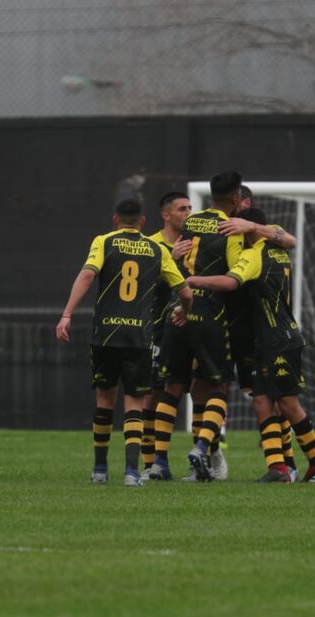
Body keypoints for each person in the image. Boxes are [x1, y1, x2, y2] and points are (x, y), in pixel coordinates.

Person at [186, 207, 315, 483]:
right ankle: (278, 468)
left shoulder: (254, 255)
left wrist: (192, 280)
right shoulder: (278, 247)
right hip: (268, 338)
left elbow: (230, 282)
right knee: (262, 401)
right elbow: (288, 238)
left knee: (288, 403)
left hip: (278, 339)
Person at [57, 198, 192, 486]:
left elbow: (88, 274)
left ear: (115, 220)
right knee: (135, 403)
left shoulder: (104, 241)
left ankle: (100, 470)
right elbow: (185, 291)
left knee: (105, 399)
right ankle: (131, 472)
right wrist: (185, 310)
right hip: (139, 336)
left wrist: (67, 314)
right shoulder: (156, 249)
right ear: (143, 222)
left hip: (105, 334)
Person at [145, 171, 245, 482]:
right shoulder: (229, 229)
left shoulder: (189, 223)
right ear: (236, 200)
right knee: (217, 387)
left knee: (172, 388)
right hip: (208, 314)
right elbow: (233, 278)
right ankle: (201, 448)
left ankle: (159, 462)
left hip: (178, 314)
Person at [140, 191, 192, 473]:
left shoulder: (197, 244)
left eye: (190, 208)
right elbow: (141, 289)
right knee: (152, 394)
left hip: (190, 330)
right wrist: (169, 260)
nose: (188, 213)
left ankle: (207, 458)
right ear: (166, 214)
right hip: (157, 332)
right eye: (182, 208)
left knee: (201, 389)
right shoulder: (150, 245)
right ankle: (152, 464)